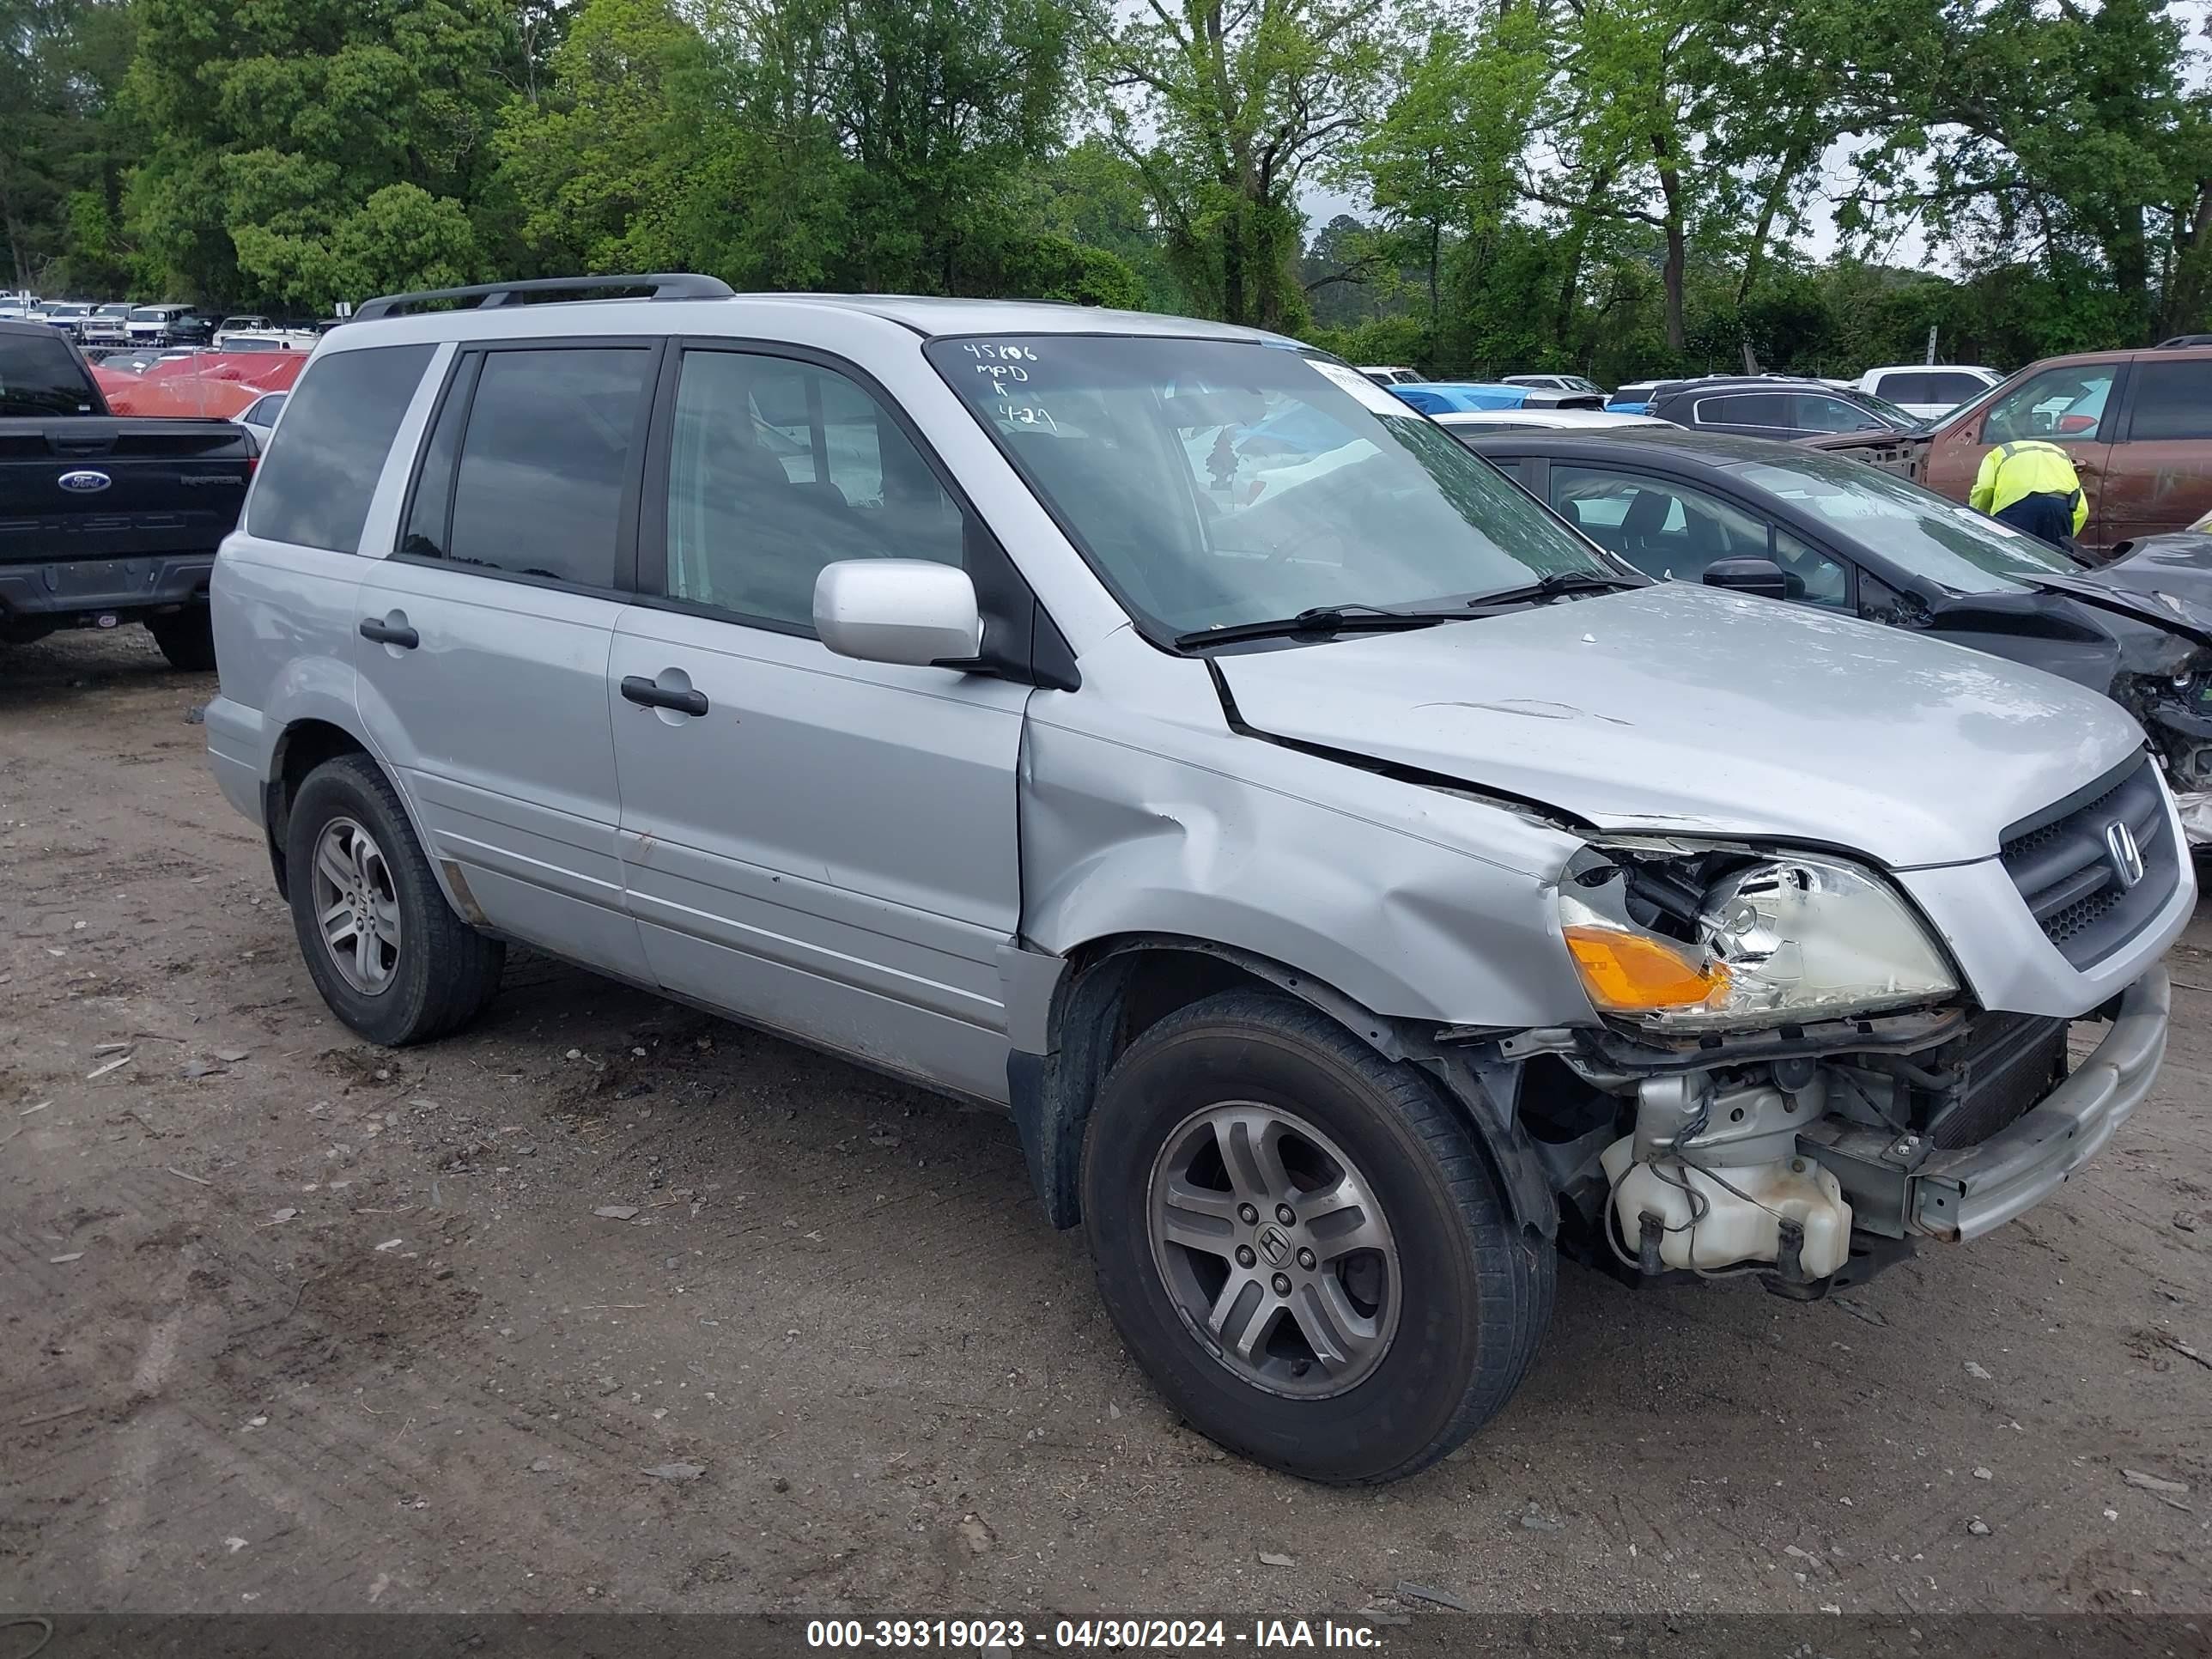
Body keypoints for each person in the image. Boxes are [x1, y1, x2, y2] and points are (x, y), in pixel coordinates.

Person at [1969, 439, 2087, 549]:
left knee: (2011, 560)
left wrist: (1977, 522)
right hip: (2059, 508)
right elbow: (2082, 509)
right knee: (2057, 564)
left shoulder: (1997, 454)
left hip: (2015, 508)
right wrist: (2064, 532)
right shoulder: (2061, 456)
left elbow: (1984, 488)